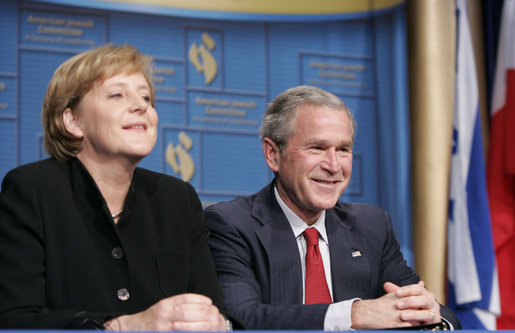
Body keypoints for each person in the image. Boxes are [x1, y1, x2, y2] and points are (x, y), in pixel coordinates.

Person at [0, 44, 240, 331]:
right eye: (116, 95)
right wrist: (123, 326)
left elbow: (214, 309)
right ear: (73, 121)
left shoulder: (178, 198)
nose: (141, 106)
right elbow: (14, 318)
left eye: (147, 98)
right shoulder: (31, 190)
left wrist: (220, 323)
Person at [204, 85, 461, 330]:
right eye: (317, 148)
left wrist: (429, 314)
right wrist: (354, 314)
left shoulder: (371, 226)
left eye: (343, 149)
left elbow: (441, 316)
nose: (334, 165)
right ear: (273, 154)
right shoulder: (231, 224)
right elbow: (241, 319)